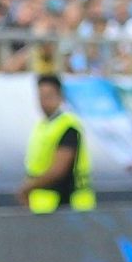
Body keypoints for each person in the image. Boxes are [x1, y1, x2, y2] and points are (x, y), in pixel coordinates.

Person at [17, 74, 93, 212]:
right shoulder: (42, 126)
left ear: (60, 96)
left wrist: (28, 187)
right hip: (44, 204)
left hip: (68, 205)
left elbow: (58, 170)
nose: (44, 101)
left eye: (49, 96)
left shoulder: (68, 126)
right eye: (41, 96)